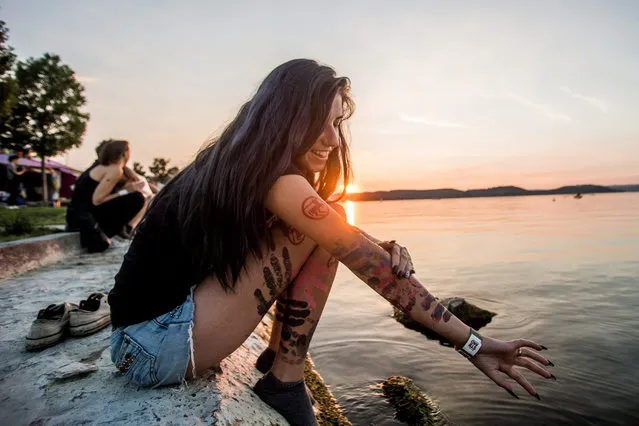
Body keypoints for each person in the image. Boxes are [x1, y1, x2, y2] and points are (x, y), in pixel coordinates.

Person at [108, 59, 554, 426]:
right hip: (154, 346)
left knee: (330, 231)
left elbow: (326, 234)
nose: (332, 139)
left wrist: (375, 241)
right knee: (329, 233)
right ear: (284, 121)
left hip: (146, 341)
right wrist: (472, 342)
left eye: (337, 124)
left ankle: (275, 366)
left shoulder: (241, 166)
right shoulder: (276, 180)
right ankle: (284, 380)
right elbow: (353, 255)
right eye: (317, 124)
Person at [66, 140, 146, 252]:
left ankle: (119, 232)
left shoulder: (106, 167)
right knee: (137, 198)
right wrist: (126, 191)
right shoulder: (114, 170)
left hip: (78, 215)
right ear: (125, 153)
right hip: (82, 218)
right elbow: (97, 200)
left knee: (135, 196)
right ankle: (114, 233)